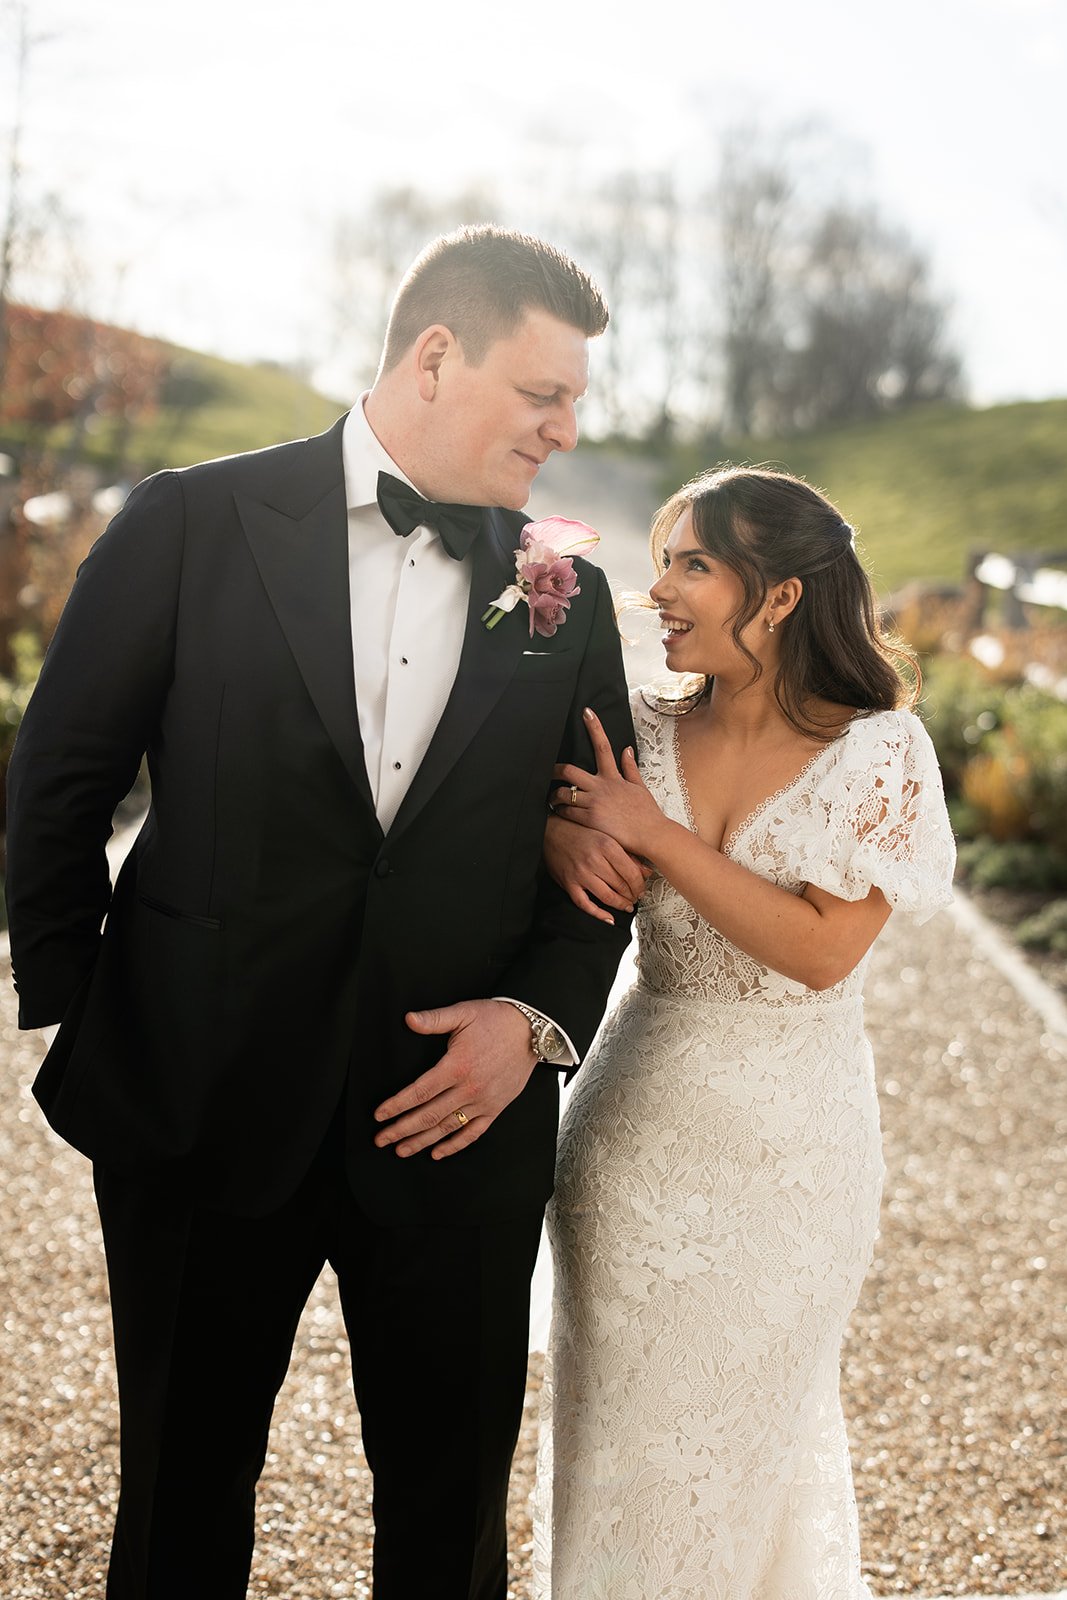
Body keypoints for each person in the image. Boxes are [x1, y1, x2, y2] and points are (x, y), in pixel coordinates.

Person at [4, 225, 635, 1600]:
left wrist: (536, 1023)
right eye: (543, 394)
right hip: (201, 1107)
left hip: (454, 1127)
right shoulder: (190, 522)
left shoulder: (563, 589)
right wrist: (90, 1014)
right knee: (178, 1502)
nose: (565, 429)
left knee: (448, 1520)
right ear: (431, 355)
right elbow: (56, 784)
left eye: (575, 401)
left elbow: (606, 854)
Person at [532, 466, 956, 1598]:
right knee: (617, 1455)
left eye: (692, 563)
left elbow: (821, 950)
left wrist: (653, 839)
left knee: (743, 1459)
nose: (656, 588)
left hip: (793, 1163)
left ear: (776, 596)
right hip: (631, 1144)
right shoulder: (633, 728)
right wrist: (562, 838)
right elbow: (548, 847)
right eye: (662, 557)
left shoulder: (880, 754)